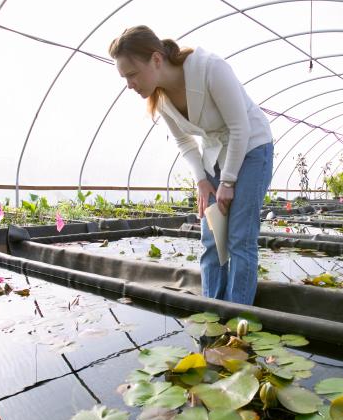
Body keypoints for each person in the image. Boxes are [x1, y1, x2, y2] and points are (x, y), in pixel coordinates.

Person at [108, 26, 273, 305]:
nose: (129, 84)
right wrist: (203, 181)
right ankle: (212, 311)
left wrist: (228, 181)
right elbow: (185, 143)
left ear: (156, 60)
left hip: (252, 148)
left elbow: (239, 127)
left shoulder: (210, 68)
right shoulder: (161, 100)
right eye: (125, 78)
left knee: (239, 238)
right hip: (215, 156)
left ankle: (235, 319)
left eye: (132, 74)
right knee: (211, 240)